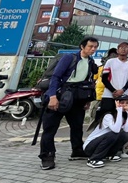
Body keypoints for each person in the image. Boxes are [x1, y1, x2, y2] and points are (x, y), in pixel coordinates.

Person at [39, 37, 99, 170]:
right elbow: (56, 77)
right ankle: (47, 156)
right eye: (90, 46)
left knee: (77, 126)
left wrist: (87, 101)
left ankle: (77, 150)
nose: (93, 49)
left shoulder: (90, 61)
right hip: (61, 96)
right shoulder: (69, 58)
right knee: (50, 128)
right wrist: (53, 96)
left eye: (95, 47)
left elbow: (87, 83)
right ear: (82, 47)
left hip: (77, 98)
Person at [83, 94, 128, 168]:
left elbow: (126, 130)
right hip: (90, 147)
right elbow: (116, 130)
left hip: (102, 145)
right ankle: (93, 159)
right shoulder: (108, 116)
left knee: (125, 135)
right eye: (122, 103)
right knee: (113, 134)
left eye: (127, 103)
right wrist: (119, 110)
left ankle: (110, 154)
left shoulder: (121, 117)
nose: (124, 105)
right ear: (116, 103)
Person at [96, 42, 128, 124]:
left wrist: (122, 90)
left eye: (126, 47)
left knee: (121, 117)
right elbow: (104, 79)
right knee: (105, 116)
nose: (123, 49)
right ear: (117, 50)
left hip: (124, 94)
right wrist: (113, 91)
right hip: (108, 94)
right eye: (121, 47)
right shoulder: (110, 62)